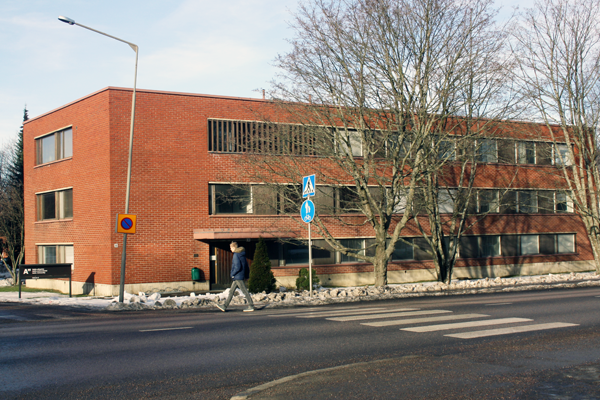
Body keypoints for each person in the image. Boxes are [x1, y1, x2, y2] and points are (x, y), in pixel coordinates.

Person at [215, 242, 255, 312]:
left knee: (244, 291)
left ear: (233, 247)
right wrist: (246, 275)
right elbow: (246, 266)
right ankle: (224, 306)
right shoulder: (242, 254)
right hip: (239, 276)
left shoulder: (236, 255)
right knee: (231, 292)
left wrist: (232, 274)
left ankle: (251, 305)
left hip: (237, 276)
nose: (230, 249)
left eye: (230, 248)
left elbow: (237, 267)